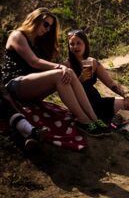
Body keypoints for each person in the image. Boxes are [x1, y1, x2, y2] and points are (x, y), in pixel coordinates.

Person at [1, 8, 110, 136]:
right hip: (14, 85)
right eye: (46, 24)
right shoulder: (17, 35)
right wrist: (60, 67)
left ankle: (94, 118)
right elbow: (34, 62)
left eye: (50, 27)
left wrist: (64, 69)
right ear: (35, 19)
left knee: (69, 73)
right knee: (61, 73)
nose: (48, 29)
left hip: (31, 87)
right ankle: (83, 120)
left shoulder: (37, 42)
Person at [0, 83, 48, 150]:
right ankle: (34, 133)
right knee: (12, 116)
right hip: (6, 117)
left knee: (15, 118)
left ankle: (31, 138)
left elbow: (7, 98)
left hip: (10, 115)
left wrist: (17, 110)